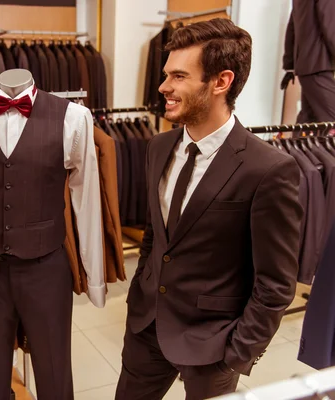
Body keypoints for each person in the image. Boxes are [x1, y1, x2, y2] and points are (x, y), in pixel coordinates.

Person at [116, 19, 303, 400]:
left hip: (215, 344)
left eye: (179, 76)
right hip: (147, 326)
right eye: (166, 74)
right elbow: (156, 234)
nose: (163, 87)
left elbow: (276, 283)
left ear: (221, 82)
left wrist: (237, 355)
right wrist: (141, 291)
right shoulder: (157, 147)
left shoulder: (268, 169)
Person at [281, 0, 335, 124]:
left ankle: (295, 144)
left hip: (307, 66)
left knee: (309, 121)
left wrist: (290, 65)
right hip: (319, 64)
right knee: (326, 121)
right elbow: (331, 27)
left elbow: (292, 28)